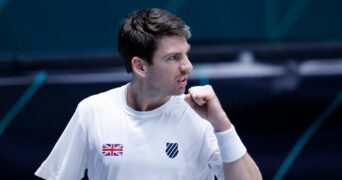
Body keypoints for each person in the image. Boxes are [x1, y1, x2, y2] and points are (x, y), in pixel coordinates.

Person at [35, 8, 262, 180]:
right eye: (173, 58)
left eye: (185, 55)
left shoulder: (201, 117)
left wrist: (221, 124)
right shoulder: (93, 110)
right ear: (140, 66)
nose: (188, 66)